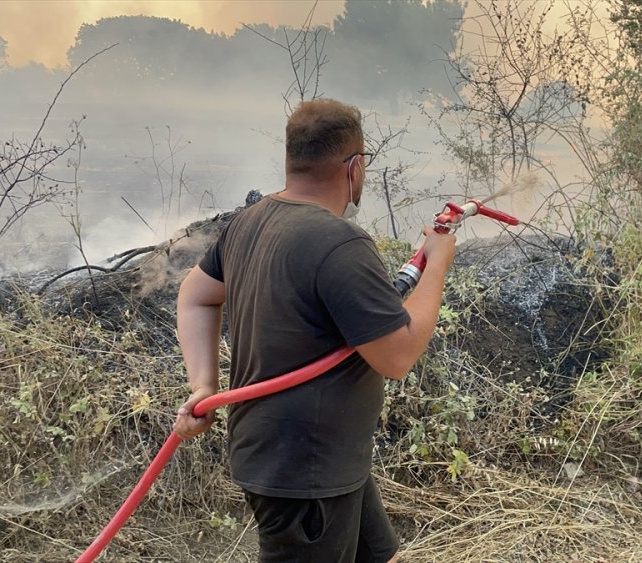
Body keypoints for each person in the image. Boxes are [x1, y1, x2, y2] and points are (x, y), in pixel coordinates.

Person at [172, 99, 456, 562]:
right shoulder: (339, 242)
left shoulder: (250, 220)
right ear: (355, 167)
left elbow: (194, 295)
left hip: (315, 458)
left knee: (378, 555)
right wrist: (438, 264)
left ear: (292, 159)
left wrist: (205, 385)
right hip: (305, 473)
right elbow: (398, 356)